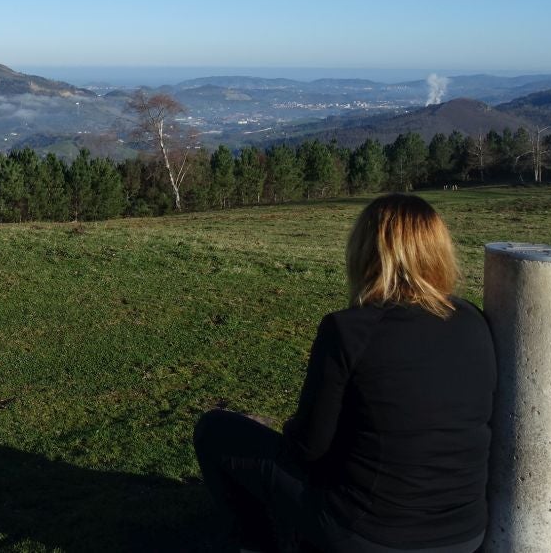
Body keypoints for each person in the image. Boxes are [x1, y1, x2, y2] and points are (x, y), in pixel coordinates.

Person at [193, 194, 496, 553]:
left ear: (365, 252)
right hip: (465, 534)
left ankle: (257, 543)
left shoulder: (349, 330)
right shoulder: (473, 320)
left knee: (215, 430)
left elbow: (307, 448)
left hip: (369, 535)